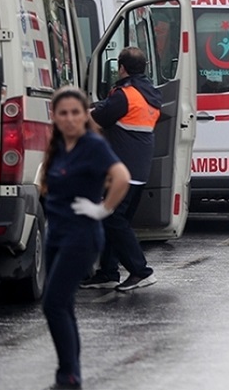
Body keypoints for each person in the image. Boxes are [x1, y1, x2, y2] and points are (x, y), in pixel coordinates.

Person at [40, 86, 131, 390]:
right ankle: (69, 374)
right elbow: (46, 180)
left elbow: (121, 177)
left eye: (75, 113)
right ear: (54, 116)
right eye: (63, 113)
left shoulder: (92, 145)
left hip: (81, 237)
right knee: (62, 305)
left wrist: (102, 209)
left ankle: (68, 376)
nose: (69, 119)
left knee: (53, 304)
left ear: (84, 116)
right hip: (56, 233)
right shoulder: (57, 144)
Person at [81, 47, 162, 291]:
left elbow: (98, 117)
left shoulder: (124, 95)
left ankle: (141, 271)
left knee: (112, 219)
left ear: (122, 68)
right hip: (138, 171)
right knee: (115, 221)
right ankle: (108, 272)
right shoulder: (150, 94)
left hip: (123, 171)